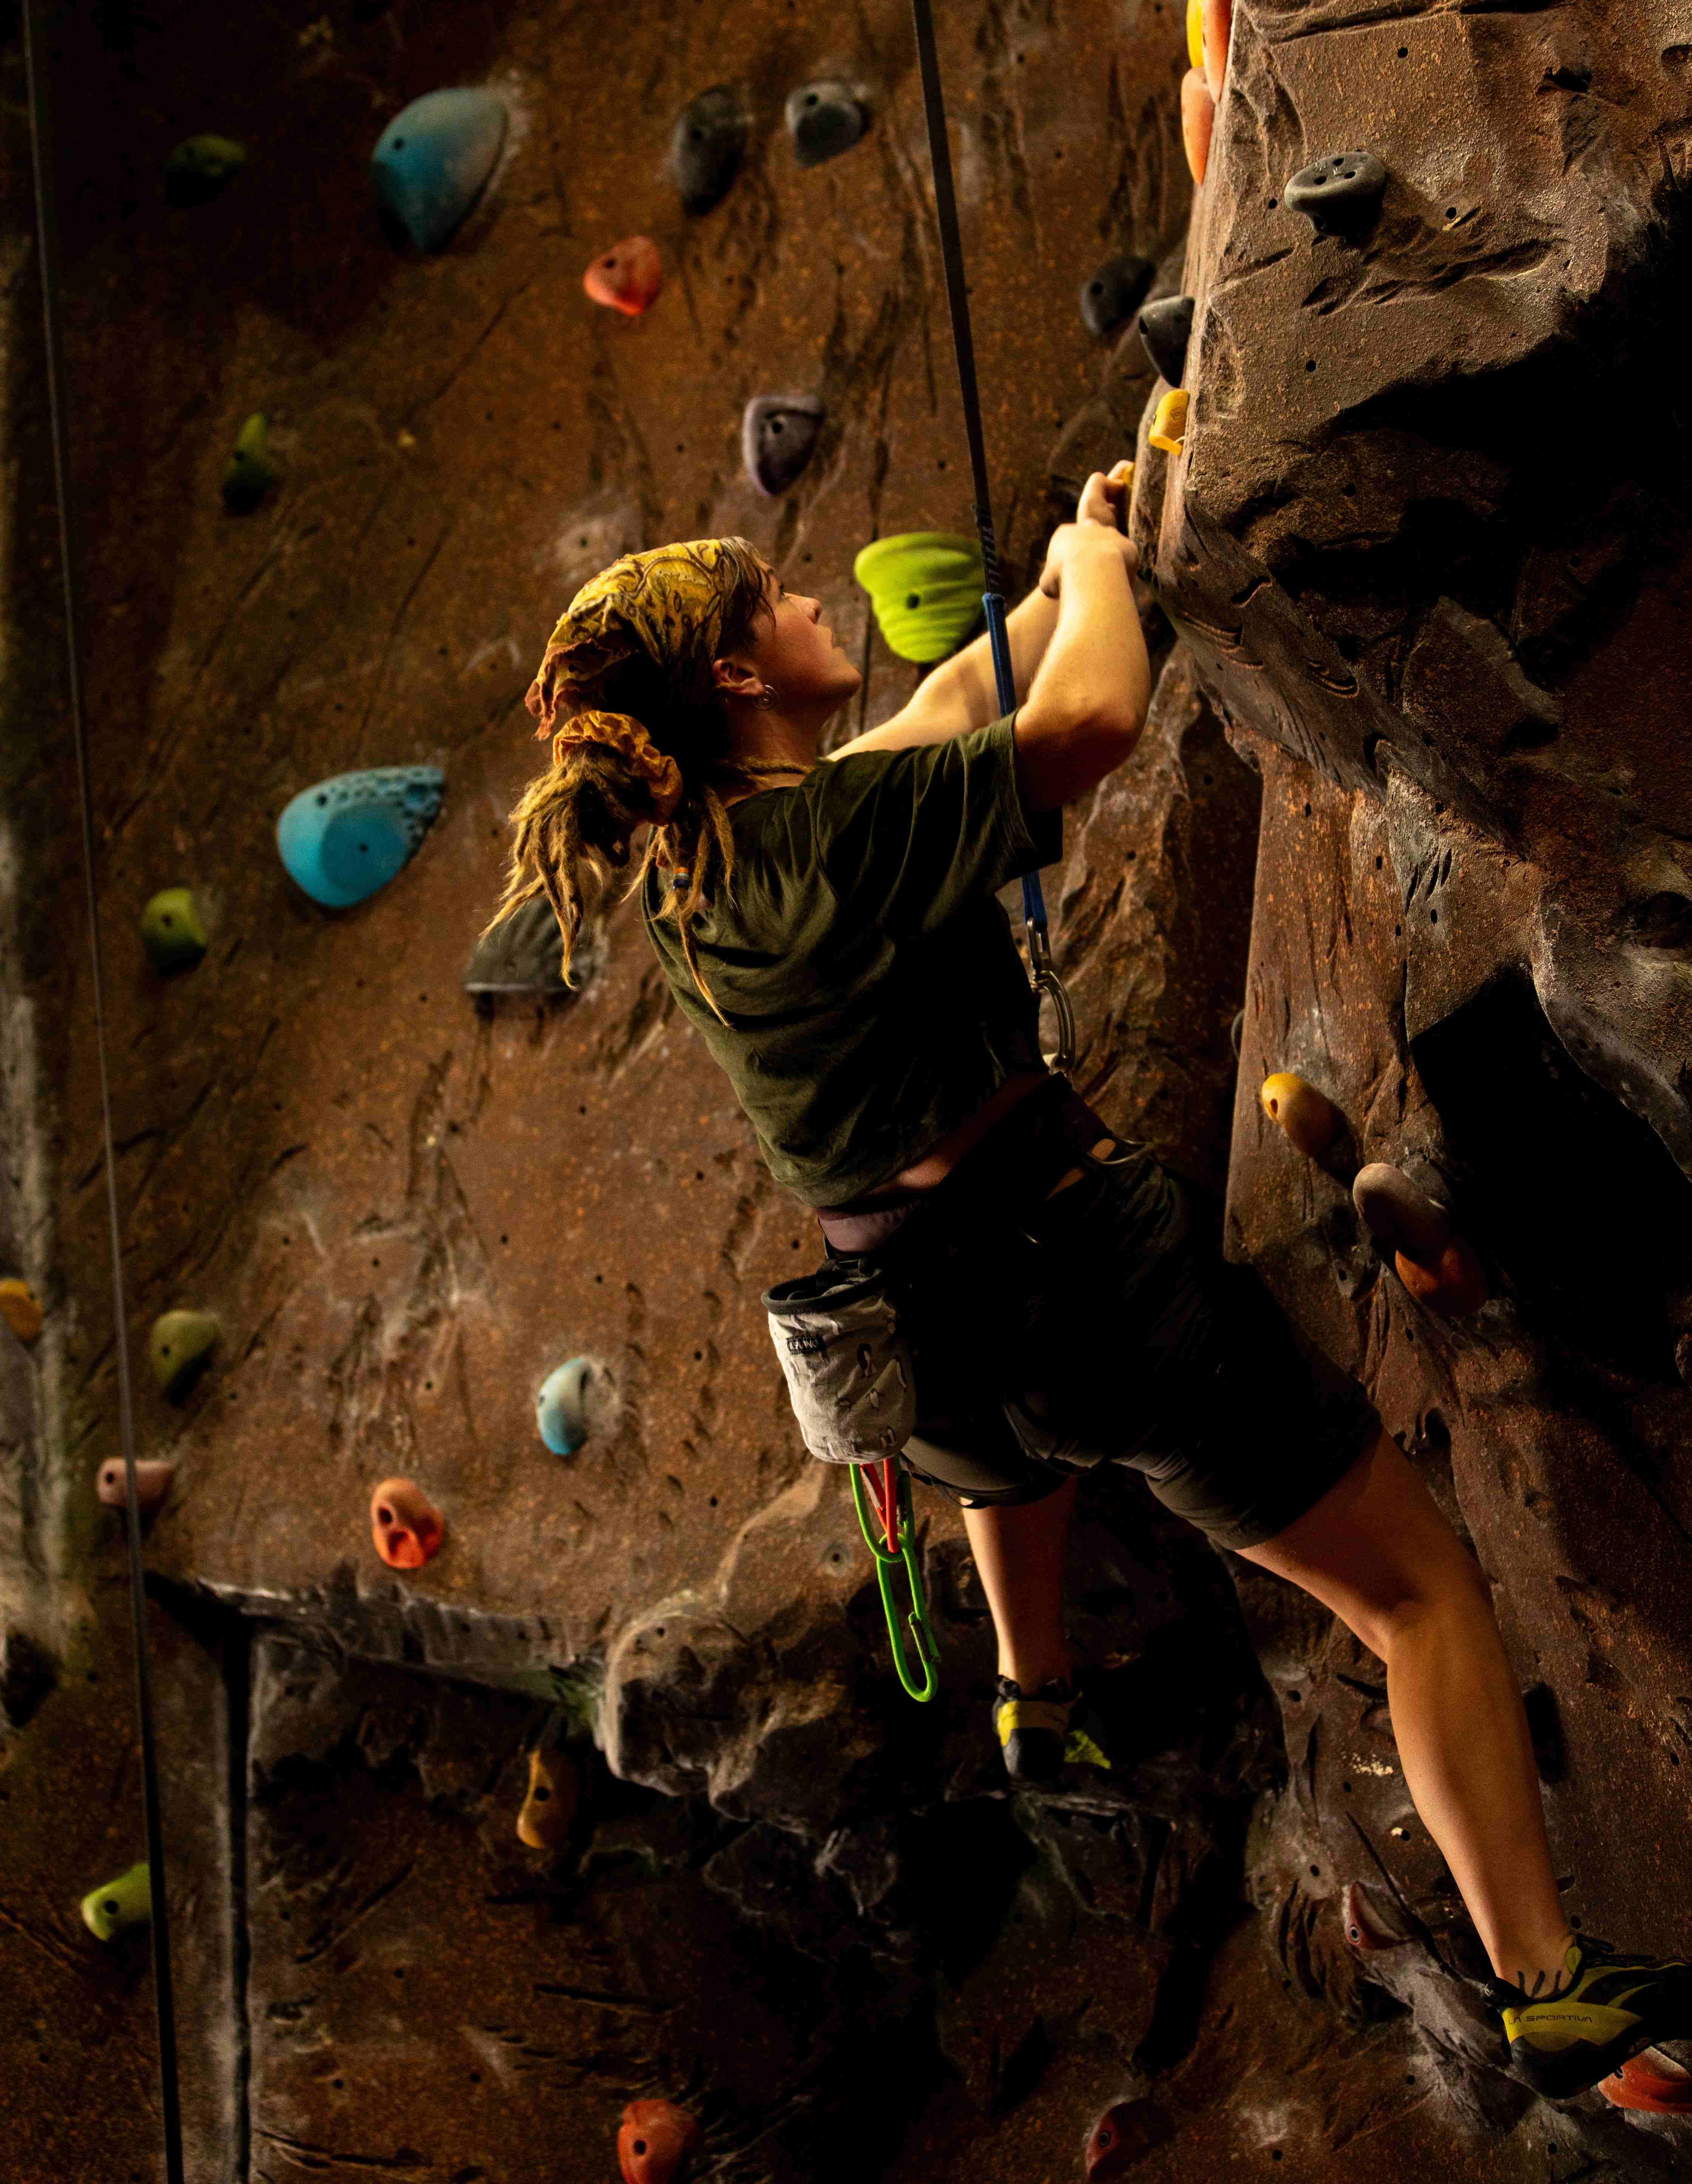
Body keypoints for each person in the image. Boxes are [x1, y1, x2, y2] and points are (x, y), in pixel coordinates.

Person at [481, 472, 1692, 2103]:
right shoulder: (818, 838)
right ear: (738, 678)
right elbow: (1087, 724)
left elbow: (966, 695)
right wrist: (1087, 563)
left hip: (925, 1340)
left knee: (1006, 1449)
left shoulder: (721, 868)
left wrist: (1085, 541)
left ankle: (1030, 1688)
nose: (804, 602)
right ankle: (1543, 1978)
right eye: (770, 599)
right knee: (1412, 1599)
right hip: (1075, 1276)